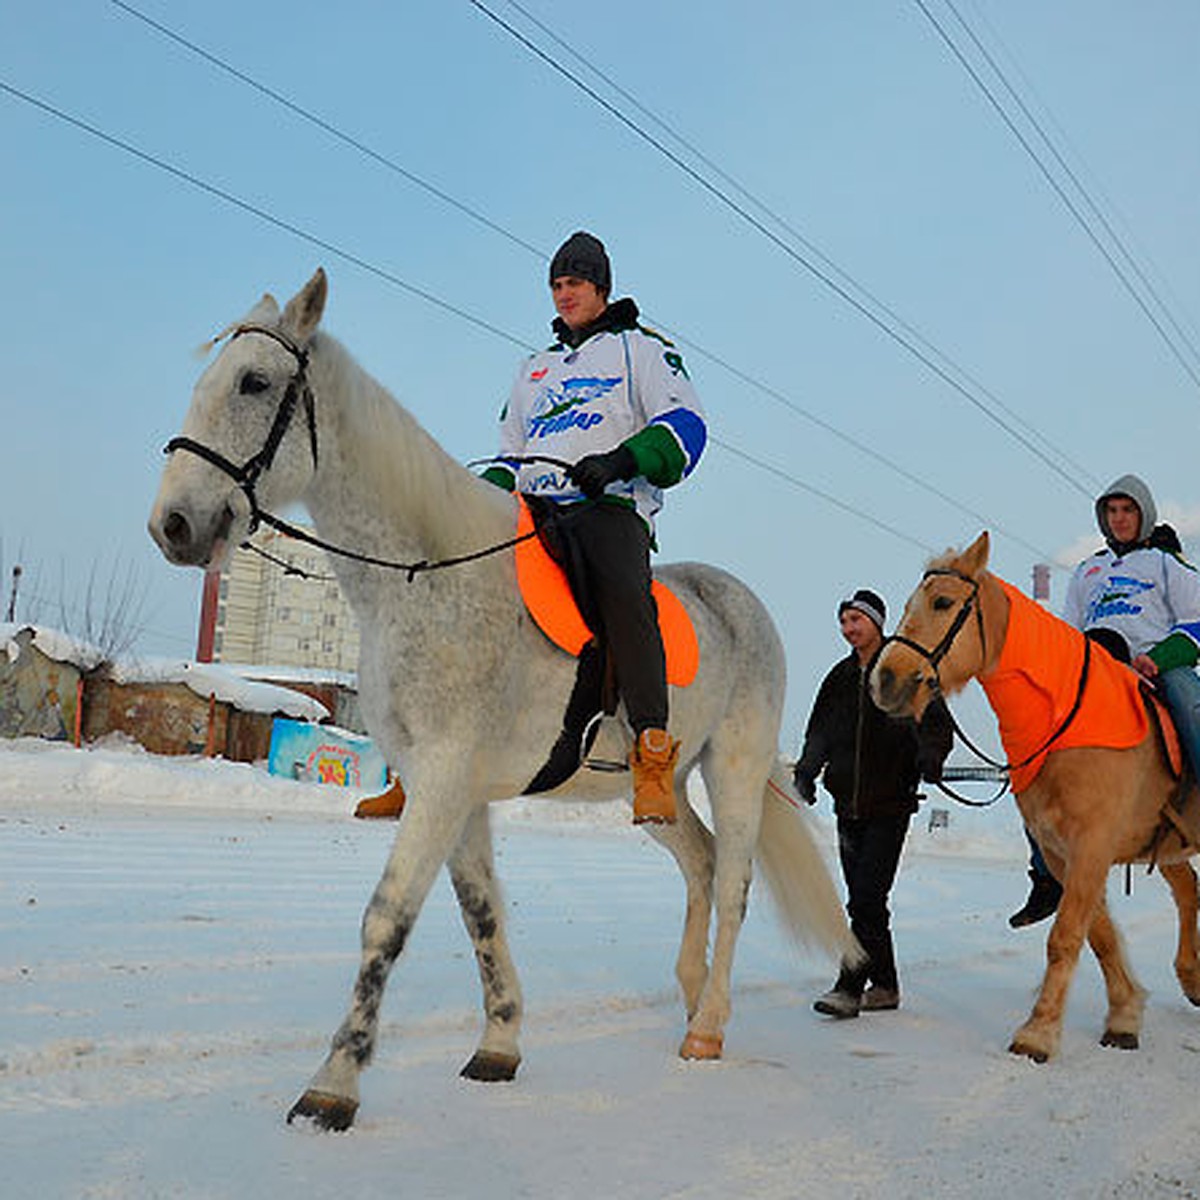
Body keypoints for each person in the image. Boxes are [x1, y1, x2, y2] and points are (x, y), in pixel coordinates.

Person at [481, 231, 707, 824]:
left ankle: (652, 753)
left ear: (601, 288)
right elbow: (509, 454)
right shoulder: (535, 369)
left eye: (574, 283)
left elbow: (686, 424)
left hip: (608, 506)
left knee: (626, 597)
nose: (563, 294)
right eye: (556, 285)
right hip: (535, 507)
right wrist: (479, 500)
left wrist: (621, 462)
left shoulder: (643, 351)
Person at [1009, 473, 1200, 927]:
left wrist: (1158, 657)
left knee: (1187, 698)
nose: (1119, 519)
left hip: (1155, 667)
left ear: (1144, 514)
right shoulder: (1087, 571)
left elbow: (1198, 621)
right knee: (1034, 743)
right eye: (1112, 511)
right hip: (1095, 673)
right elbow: (1067, 635)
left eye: (1128, 510)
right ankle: (1045, 873)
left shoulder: (1166, 563)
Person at [794, 589, 952, 1019]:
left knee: (864, 898)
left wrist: (930, 757)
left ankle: (849, 986)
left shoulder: (903, 670)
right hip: (847, 804)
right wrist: (807, 771)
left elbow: (937, 726)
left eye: (856, 620)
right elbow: (819, 731)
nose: (849, 629)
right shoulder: (838, 678)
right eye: (844, 621)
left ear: (877, 623)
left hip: (890, 803)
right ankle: (884, 985)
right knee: (867, 902)